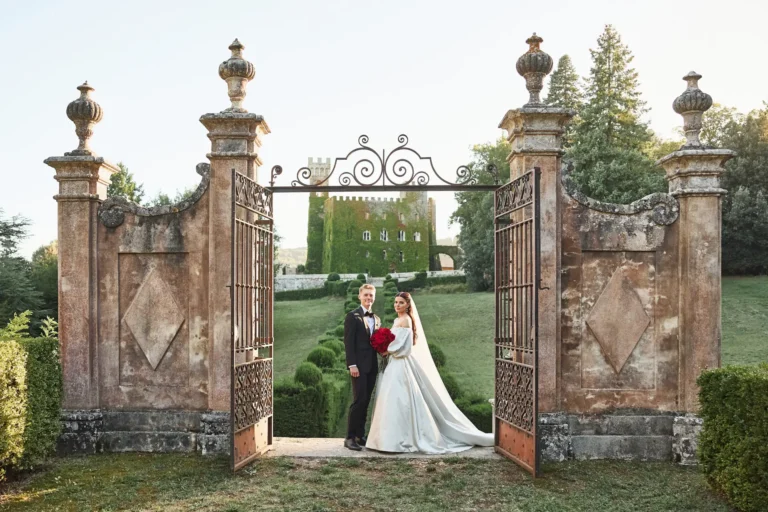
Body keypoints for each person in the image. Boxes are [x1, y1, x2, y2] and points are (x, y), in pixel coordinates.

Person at [366, 291, 494, 453]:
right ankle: (385, 439)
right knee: (390, 399)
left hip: (401, 363)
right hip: (393, 363)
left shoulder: (406, 320)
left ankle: (399, 440)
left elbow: (404, 347)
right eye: (396, 302)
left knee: (399, 399)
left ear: (408, 305)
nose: (397, 305)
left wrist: (387, 350)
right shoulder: (398, 319)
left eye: (401, 303)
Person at [343, 283, 380, 451]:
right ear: (360, 296)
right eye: (366, 295)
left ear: (374, 297)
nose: (368, 298)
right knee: (358, 401)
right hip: (357, 366)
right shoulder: (352, 316)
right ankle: (349, 438)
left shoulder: (376, 319)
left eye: (371, 295)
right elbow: (348, 343)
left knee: (366, 402)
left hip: (372, 366)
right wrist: (352, 365)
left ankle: (360, 435)